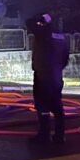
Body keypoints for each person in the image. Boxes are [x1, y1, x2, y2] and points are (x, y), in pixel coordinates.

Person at [26, 13, 70, 144]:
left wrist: (39, 18)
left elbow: (29, 22)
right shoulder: (60, 36)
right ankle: (59, 136)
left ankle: (44, 136)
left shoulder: (43, 33)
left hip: (42, 77)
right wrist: (57, 69)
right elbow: (65, 58)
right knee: (57, 107)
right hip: (56, 77)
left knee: (42, 107)